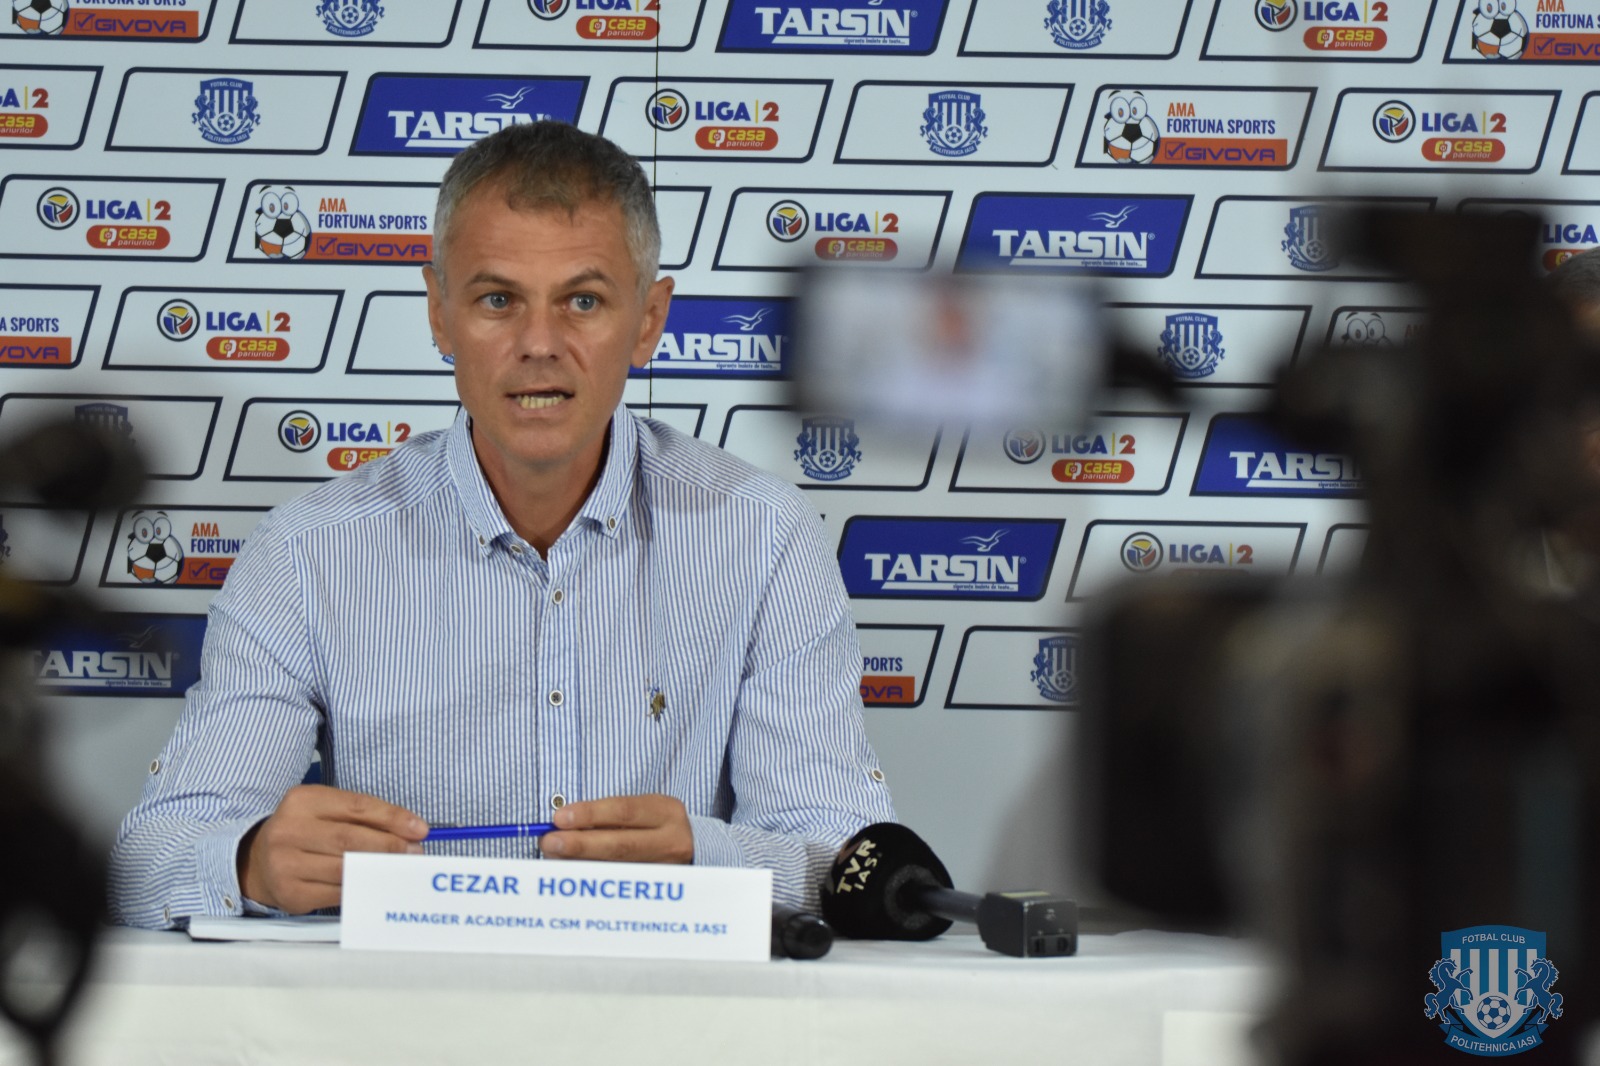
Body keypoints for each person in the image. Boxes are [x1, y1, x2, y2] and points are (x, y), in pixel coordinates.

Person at [107, 122, 895, 928]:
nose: (539, 344)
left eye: (583, 302)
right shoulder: (308, 554)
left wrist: (709, 860)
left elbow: (853, 862)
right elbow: (145, 865)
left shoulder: (763, 538)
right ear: (439, 314)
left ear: (649, 320)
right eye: (497, 300)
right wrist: (250, 864)